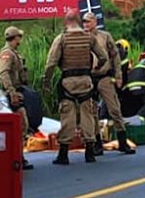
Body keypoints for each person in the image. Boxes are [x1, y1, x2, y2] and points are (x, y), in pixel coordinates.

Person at [43, 11, 108, 165]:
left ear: (66, 22)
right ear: (79, 21)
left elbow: (51, 63)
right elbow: (103, 56)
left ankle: (63, 154)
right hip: (86, 81)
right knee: (88, 116)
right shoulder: (89, 37)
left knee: (68, 117)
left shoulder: (62, 39)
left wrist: (46, 83)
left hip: (68, 82)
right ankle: (90, 152)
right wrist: (95, 67)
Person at [83, 12, 135, 156]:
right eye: (84, 22)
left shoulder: (104, 36)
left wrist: (118, 76)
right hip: (88, 78)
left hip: (104, 77)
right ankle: (97, 143)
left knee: (114, 109)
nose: (86, 24)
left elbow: (115, 56)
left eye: (88, 21)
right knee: (92, 112)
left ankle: (122, 141)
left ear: (95, 21)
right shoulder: (81, 38)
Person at [0, 26, 33, 170]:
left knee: (22, 124)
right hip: (12, 94)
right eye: (19, 37)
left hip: (17, 92)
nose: (20, 40)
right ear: (15, 38)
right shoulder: (7, 54)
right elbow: (4, 74)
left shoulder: (13, 53)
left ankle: (19, 157)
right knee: (21, 124)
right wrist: (11, 92)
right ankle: (17, 158)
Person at [126, 56, 145, 122]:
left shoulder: (136, 67)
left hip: (132, 88)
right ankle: (140, 117)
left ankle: (143, 117)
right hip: (143, 86)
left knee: (141, 103)